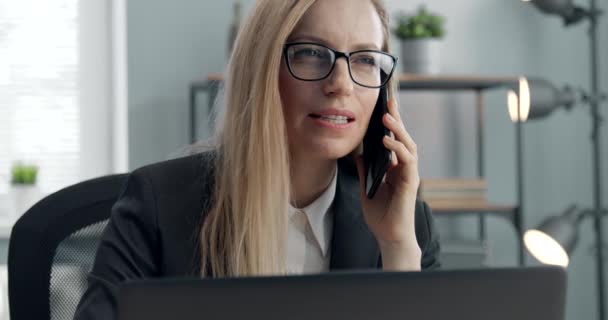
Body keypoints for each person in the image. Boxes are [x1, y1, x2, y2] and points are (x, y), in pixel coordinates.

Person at [73, 0, 440, 318]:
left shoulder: (407, 224)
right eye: (311, 53)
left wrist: (398, 248)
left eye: (364, 60)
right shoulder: (158, 206)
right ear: (262, 70)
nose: (341, 84)